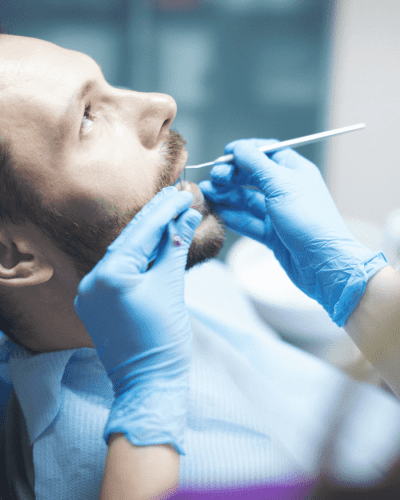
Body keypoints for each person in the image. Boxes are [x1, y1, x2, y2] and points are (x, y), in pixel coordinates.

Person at [1, 30, 400, 500]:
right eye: (87, 118)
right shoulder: (89, 465)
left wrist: (355, 284)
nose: (161, 102)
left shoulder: (195, 284)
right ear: (14, 256)